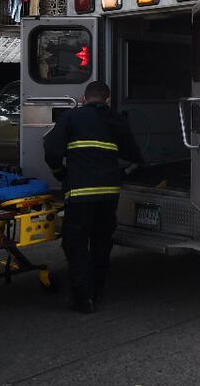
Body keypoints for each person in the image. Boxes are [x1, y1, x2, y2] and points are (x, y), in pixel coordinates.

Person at [44, 81, 143, 313]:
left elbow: (52, 150)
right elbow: (133, 154)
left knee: (75, 244)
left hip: (80, 194)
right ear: (107, 100)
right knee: (101, 243)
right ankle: (97, 292)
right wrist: (129, 169)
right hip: (108, 194)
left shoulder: (72, 117)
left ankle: (82, 298)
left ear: (84, 98)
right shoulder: (116, 119)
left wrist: (61, 174)